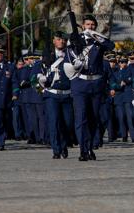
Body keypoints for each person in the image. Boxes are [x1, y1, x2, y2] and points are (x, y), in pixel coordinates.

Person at [66, 15, 115, 161]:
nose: (90, 26)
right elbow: (69, 55)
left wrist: (95, 35)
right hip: (80, 83)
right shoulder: (75, 38)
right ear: (82, 25)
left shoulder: (99, 40)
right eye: (88, 24)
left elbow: (111, 46)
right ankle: (83, 149)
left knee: (94, 118)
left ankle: (90, 147)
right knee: (81, 118)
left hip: (96, 84)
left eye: (93, 25)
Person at [38, 31, 73, 159]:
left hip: (67, 94)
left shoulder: (70, 54)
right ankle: (56, 149)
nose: (61, 41)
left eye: (63, 39)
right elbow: (38, 70)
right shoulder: (48, 54)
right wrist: (39, 78)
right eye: (58, 39)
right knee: (54, 122)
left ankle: (64, 145)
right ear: (54, 41)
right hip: (52, 94)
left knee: (68, 123)